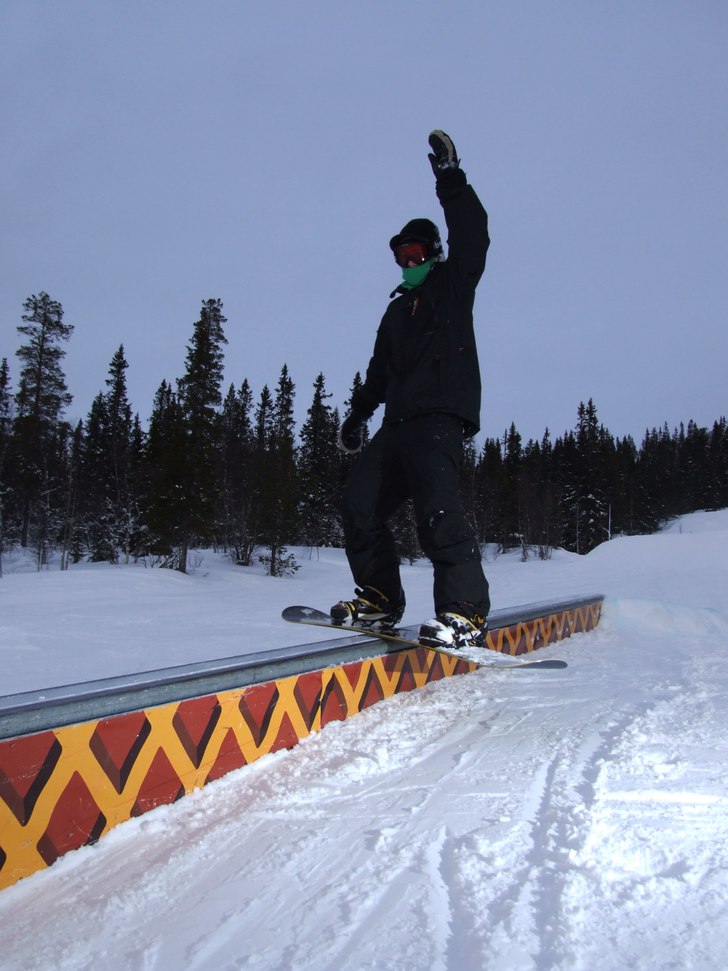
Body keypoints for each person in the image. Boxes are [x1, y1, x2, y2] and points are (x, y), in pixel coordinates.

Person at [331, 130, 491, 650]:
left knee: (436, 511)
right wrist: (357, 418)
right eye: (401, 255)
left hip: (439, 418)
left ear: (435, 254)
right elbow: (379, 371)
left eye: (417, 253)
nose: (408, 263)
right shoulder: (396, 311)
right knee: (358, 504)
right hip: (396, 424)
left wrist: (450, 178)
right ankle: (379, 598)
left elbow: (474, 232)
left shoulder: (452, 285)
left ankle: (463, 612)